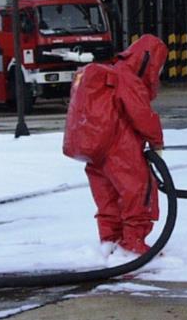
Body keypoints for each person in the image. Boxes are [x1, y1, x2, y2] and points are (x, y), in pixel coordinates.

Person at [68, 35, 168, 255]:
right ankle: (133, 245)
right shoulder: (128, 78)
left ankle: (110, 243)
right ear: (148, 61)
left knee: (108, 200)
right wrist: (156, 141)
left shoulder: (110, 72)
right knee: (138, 194)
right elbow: (142, 114)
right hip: (121, 148)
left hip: (95, 150)